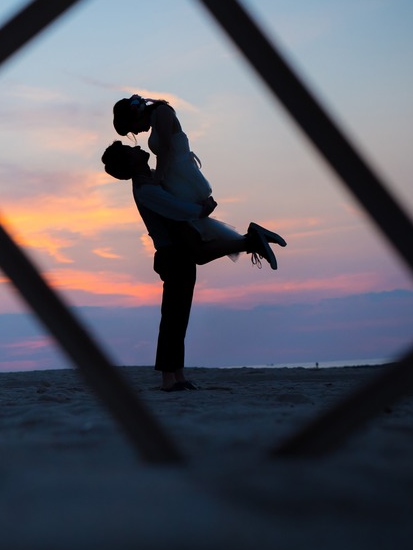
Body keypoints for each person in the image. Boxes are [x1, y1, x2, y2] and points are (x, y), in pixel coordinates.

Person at [101, 141, 286, 392]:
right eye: (130, 150)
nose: (136, 148)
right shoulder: (146, 189)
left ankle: (177, 376)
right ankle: (170, 379)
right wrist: (202, 209)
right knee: (174, 318)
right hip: (172, 254)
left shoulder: (153, 179)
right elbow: (178, 210)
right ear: (129, 163)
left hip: (177, 252)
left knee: (178, 317)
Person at [113, 94, 245, 255]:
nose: (136, 131)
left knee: (197, 245)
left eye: (131, 128)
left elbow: (166, 148)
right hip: (173, 176)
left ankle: (250, 242)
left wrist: (158, 177)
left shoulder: (162, 112)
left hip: (182, 177)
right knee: (197, 241)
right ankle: (249, 242)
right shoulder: (156, 120)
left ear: (135, 115)